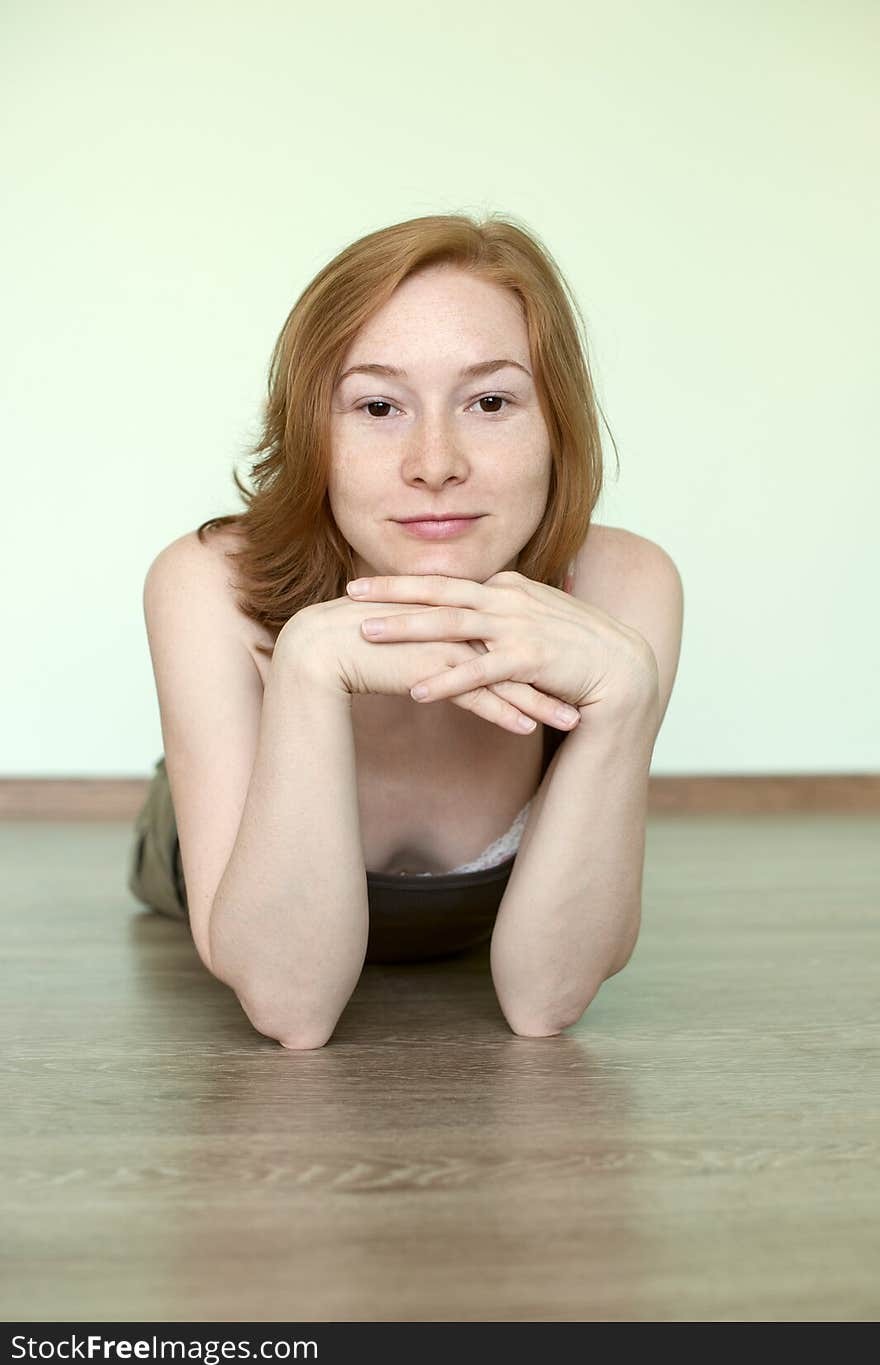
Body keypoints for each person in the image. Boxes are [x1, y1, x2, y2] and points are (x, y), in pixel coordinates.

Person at [128, 212, 681, 1050]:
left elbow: (545, 1002)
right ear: (315, 432)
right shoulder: (207, 582)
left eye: (491, 400)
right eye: (379, 405)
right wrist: (308, 665)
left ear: (557, 424)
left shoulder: (626, 587)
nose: (434, 462)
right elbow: (291, 1009)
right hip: (209, 855)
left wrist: (626, 699)